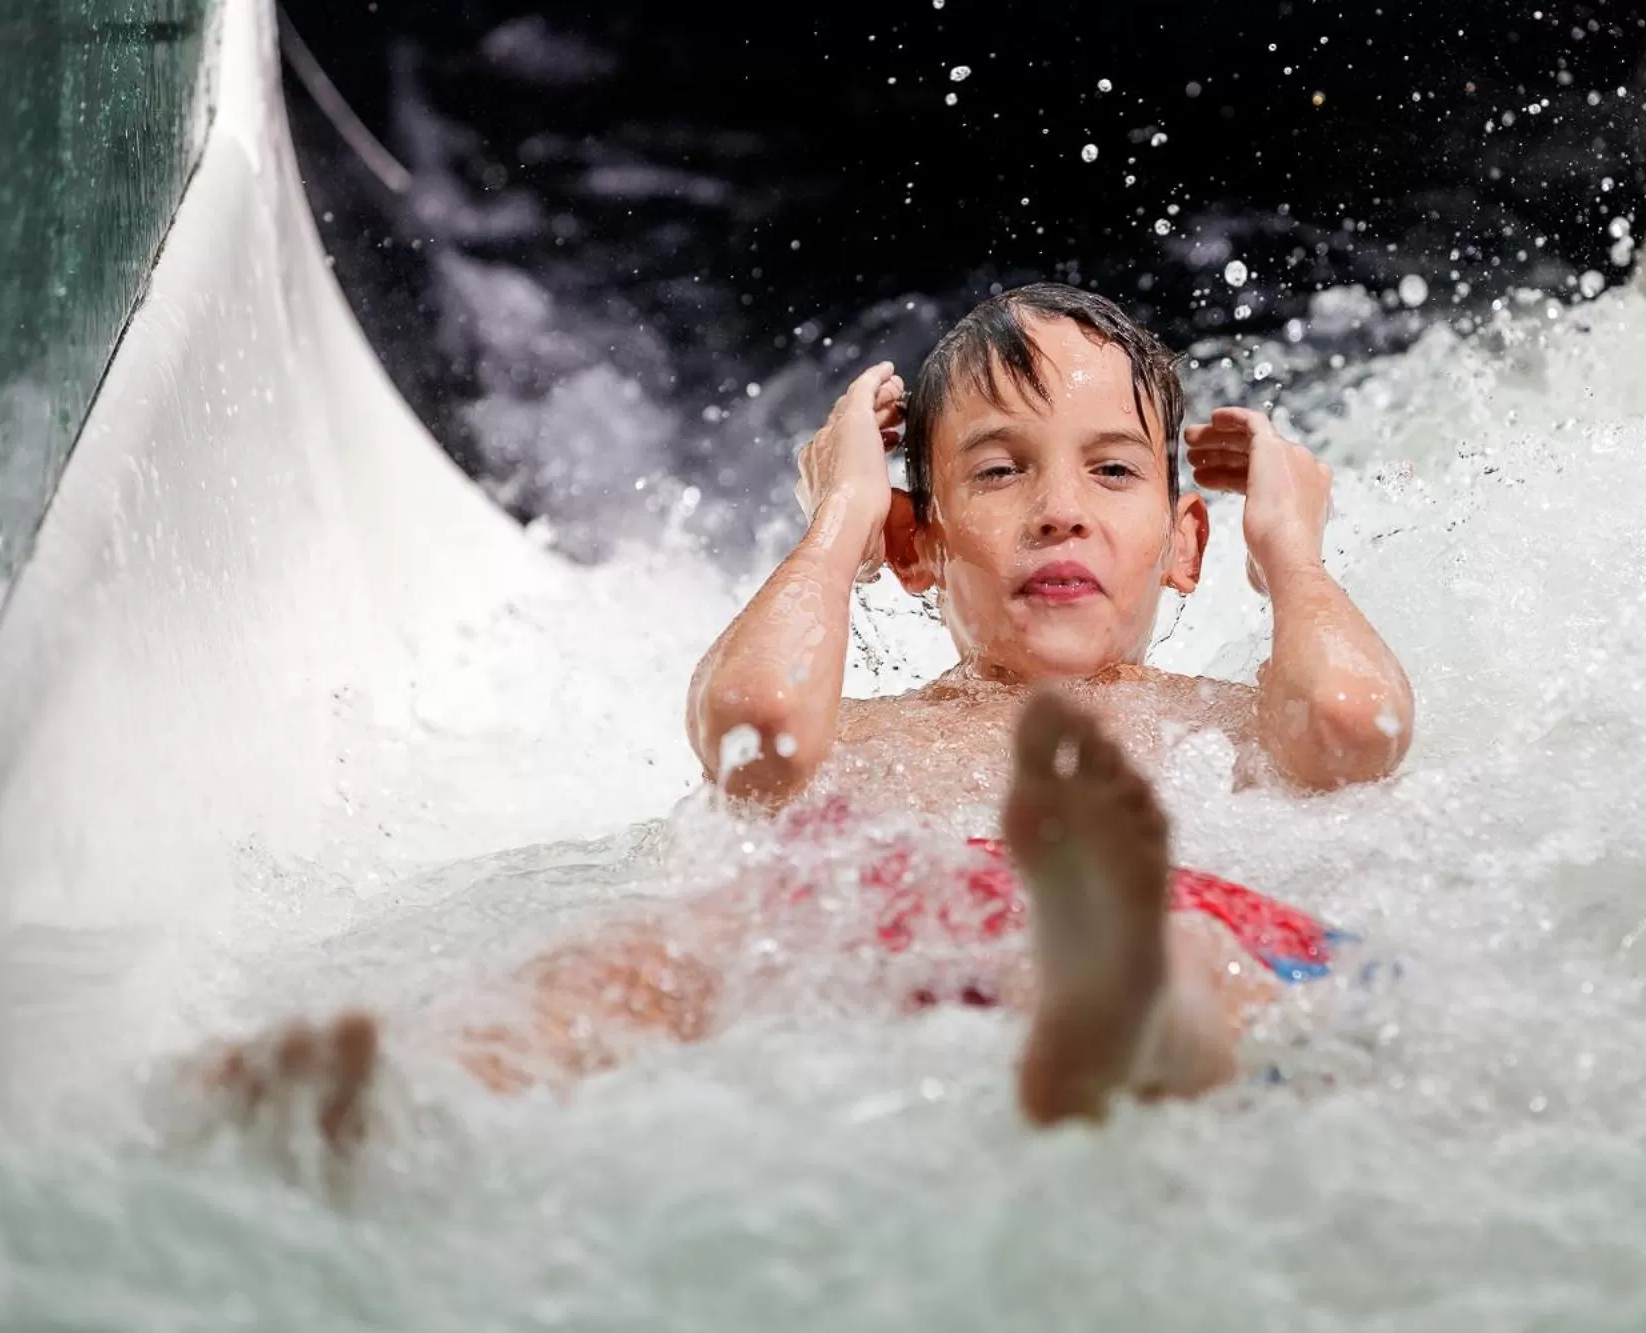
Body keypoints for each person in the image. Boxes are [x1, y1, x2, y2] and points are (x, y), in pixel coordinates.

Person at [193, 284, 1412, 1154]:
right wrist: (838, 518)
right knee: (660, 944)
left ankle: (1163, 1136)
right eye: (995, 472)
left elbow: (1355, 728)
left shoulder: (1221, 718)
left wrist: (1289, 548)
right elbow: (756, 736)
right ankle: (362, 1108)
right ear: (917, 543)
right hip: (909, 933)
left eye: (1110, 471)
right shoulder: (876, 732)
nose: (1057, 510)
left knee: (1131, 933)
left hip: (1199, 937)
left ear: (1183, 543)